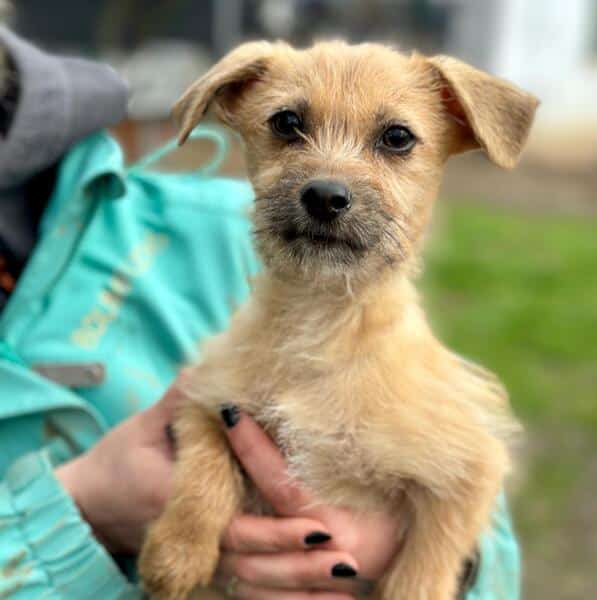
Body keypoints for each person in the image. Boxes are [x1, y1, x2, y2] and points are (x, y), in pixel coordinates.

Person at [0, 27, 517, 600]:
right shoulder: (238, 348)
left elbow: (475, 486)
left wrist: (433, 574)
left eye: (394, 140)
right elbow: (206, 415)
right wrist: (98, 507)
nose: (328, 181)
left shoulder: (198, 222)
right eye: (289, 127)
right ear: (232, 105)